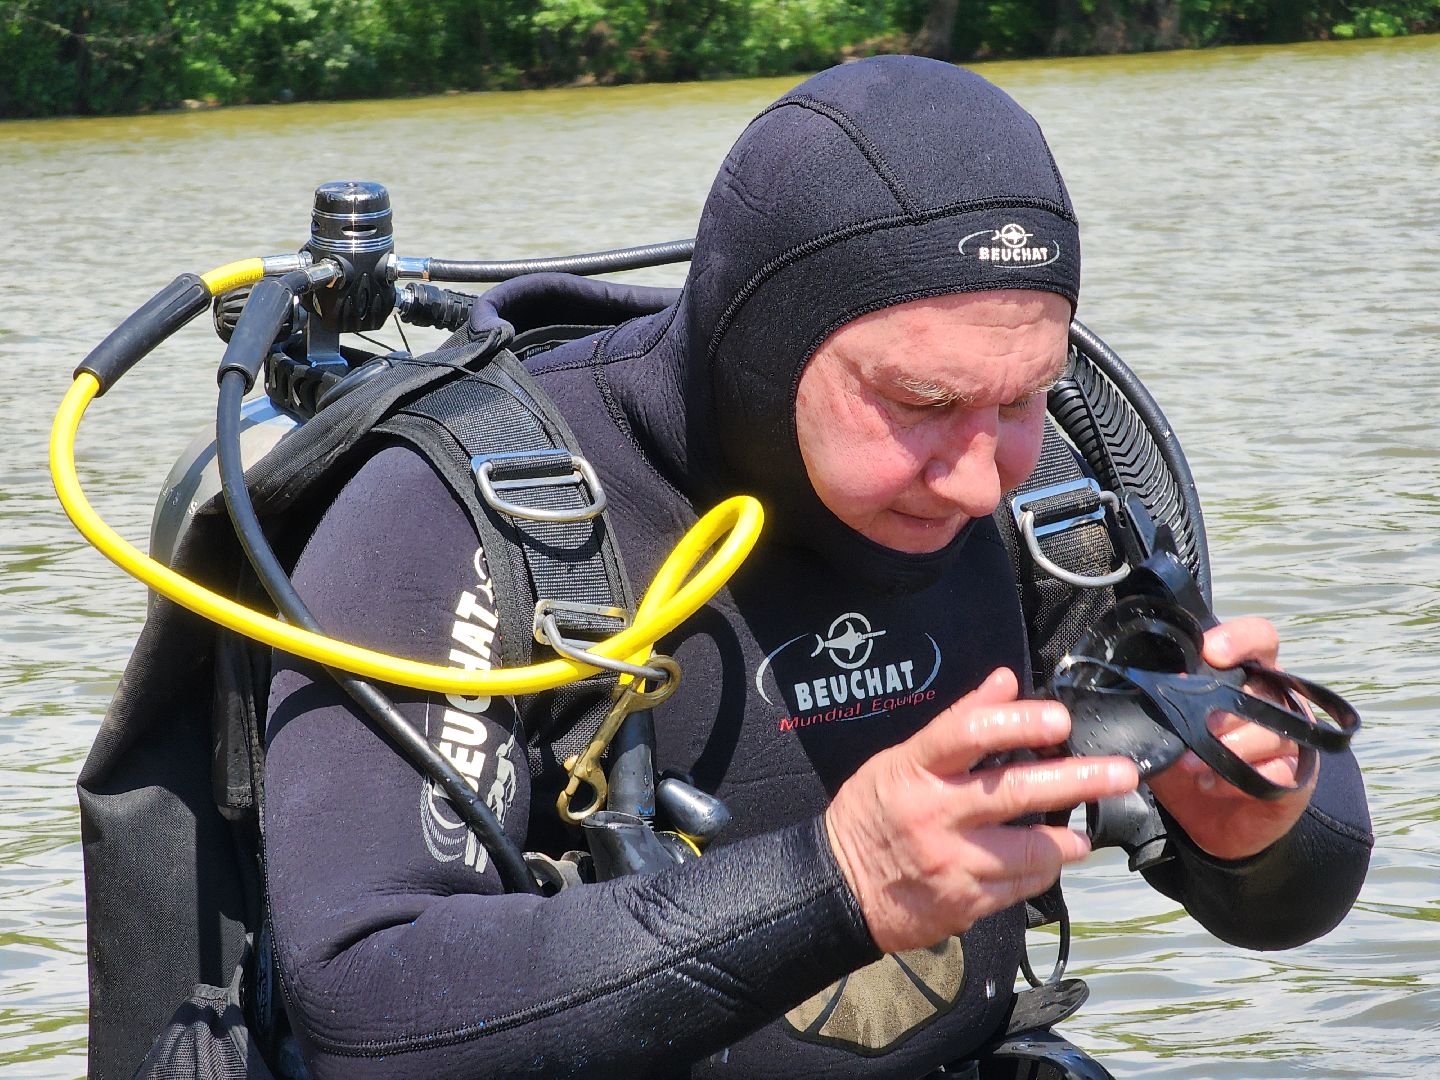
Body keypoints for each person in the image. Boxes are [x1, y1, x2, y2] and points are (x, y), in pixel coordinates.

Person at [261, 55, 1372, 1078]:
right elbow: (361, 1006)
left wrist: (1255, 830)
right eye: (922, 404)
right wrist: (835, 882)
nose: (983, 477)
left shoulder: (1046, 512)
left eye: (1025, 396)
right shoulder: (451, 513)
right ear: (765, 342)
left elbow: (1298, 899)